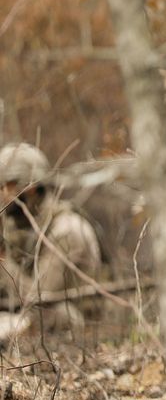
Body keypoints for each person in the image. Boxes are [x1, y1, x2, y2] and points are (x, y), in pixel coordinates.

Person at [0, 142, 101, 344]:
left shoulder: (66, 229)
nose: (2, 194)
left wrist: (2, 260)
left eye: (7, 186)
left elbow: (40, 298)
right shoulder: (26, 226)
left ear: (31, 187)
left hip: (75, 326)